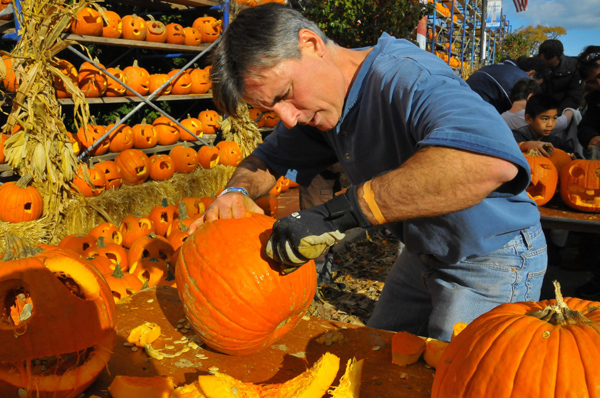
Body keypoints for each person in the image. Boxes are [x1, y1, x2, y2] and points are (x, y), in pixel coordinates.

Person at [190, 4, 547, 342]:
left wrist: (338, 215)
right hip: (423, 251)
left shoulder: (408, 77)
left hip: (491, 256)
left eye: (286, 94)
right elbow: (265, 159)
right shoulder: (319, 105)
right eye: (272, 108)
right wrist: (234, 194)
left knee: (461, 379)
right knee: (376, 357)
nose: (287, 118)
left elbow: (485, 163)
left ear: (311, 44)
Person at [572, 46, 600, 299]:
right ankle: (596, 278)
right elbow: (586, 127)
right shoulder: (595, 100)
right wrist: (592, 136)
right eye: (593, 81)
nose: (598, 83)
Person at [465, 56, 547, 114]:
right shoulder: (519, 79)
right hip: (476, 111)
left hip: (463, 99)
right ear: (531, 73)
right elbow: (516, 114)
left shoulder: (500, 67)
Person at [538, 39, 584, 113]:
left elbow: (574, 95)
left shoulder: (573, 67)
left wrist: (560, 114)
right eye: (543, 62)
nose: (546, 65)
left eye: (550, 64)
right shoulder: (534, 64)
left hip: (561, 110)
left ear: (559, 57)